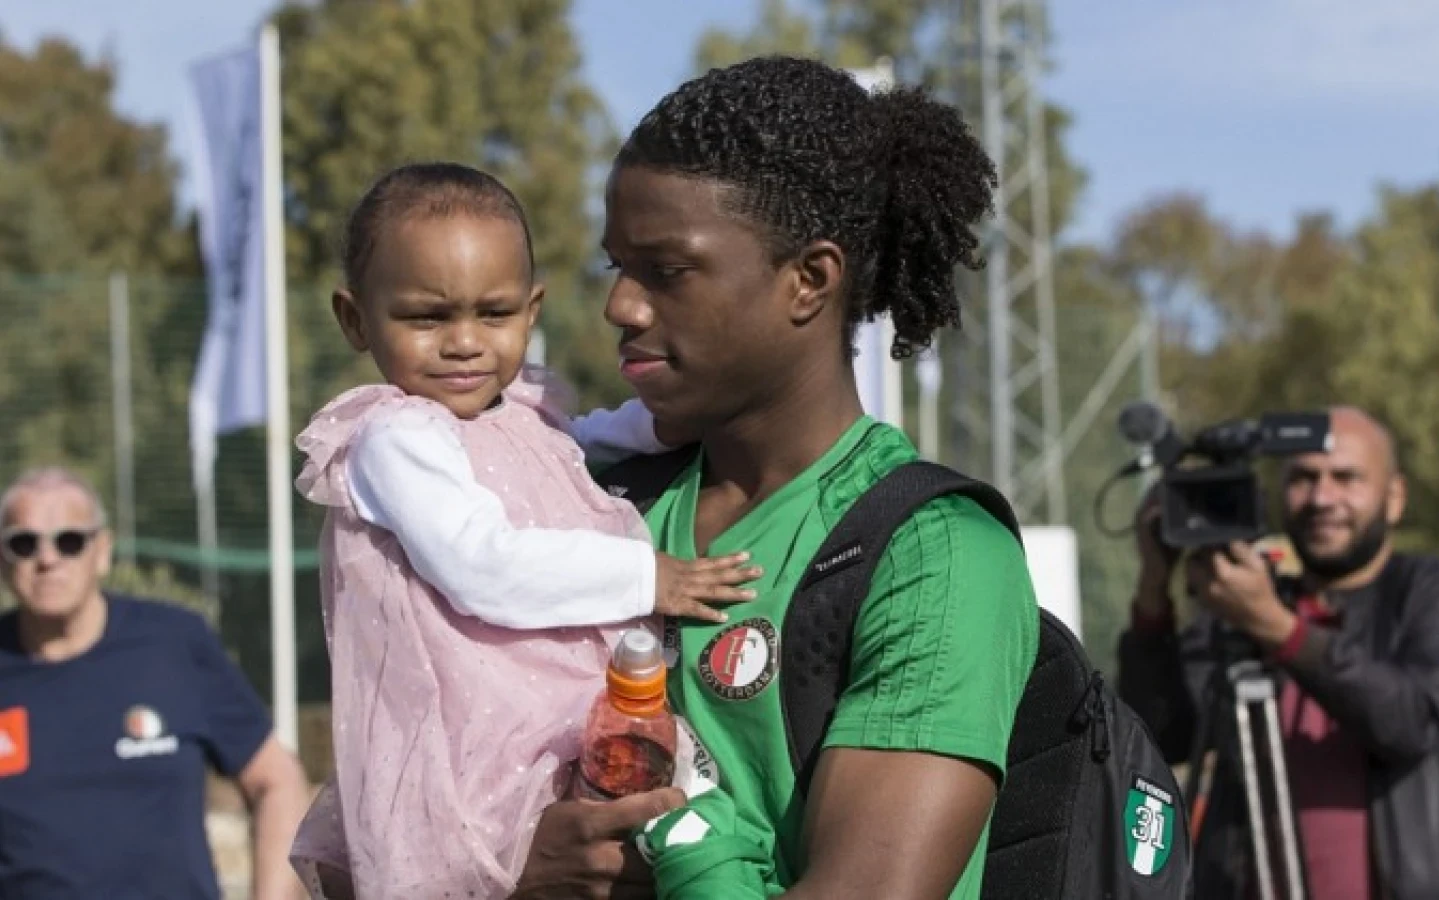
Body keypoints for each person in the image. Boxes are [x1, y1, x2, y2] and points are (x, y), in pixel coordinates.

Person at [514, 55, 1040, 900]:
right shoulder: (590, 499)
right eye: (618, 267)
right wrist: (509, 870)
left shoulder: (934, 556)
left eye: (669, 271)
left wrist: (681, 847)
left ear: (809, 281)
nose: (622, 307)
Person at [287, 162, 761, 900]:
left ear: (531, 311)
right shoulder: (395, 437)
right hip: (488, 740)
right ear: (356, 319)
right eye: (426, 317)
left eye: (495, 313)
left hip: (561, 713)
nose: (465, 343)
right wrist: (649, 576)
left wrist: (691, 409)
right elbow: (482, 566)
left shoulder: (522, 412)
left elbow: (591, 441)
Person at [1116, 405, 1439, 899]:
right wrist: (1153, 588)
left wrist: (1277, 628)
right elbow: (1158, 735)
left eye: (1346, 478)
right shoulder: (1244, 602)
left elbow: (1415, 719)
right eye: (1303, 478)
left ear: (1394, 496)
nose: (1322, 498)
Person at [0, 466, 310, 899]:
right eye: (24, 543)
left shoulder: (173, 643)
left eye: (69, 541)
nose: (47, 558)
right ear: (4, 559)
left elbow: (277, 780)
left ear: (102, 551)